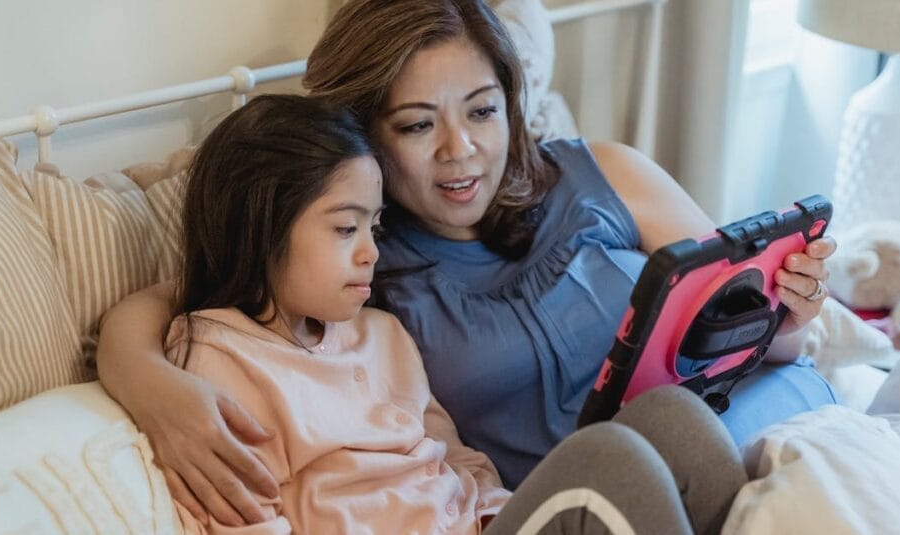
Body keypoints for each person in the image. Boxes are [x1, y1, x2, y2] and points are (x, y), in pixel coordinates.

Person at [96, 0, 837, 528]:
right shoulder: (355, 262)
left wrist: (789, 316)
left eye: (482, 110)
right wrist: (151, 383)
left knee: (674, 422)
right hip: (585, 493)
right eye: (418, 124)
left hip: (739, 423)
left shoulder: (601, 172)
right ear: (364, 138)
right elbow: (194, 295)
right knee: (625, 452)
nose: (461, 150)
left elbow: (748, 330)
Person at [160, 92, 747, 534]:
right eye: (346, 228)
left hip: (477, 524)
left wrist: (493, 508)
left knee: (673, 418)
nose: (371, 250)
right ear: (260, 230)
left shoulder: (381, 332)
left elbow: (456, 455)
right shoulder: (220, 360)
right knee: (608, 463)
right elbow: (242, 518)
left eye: (374, 225)